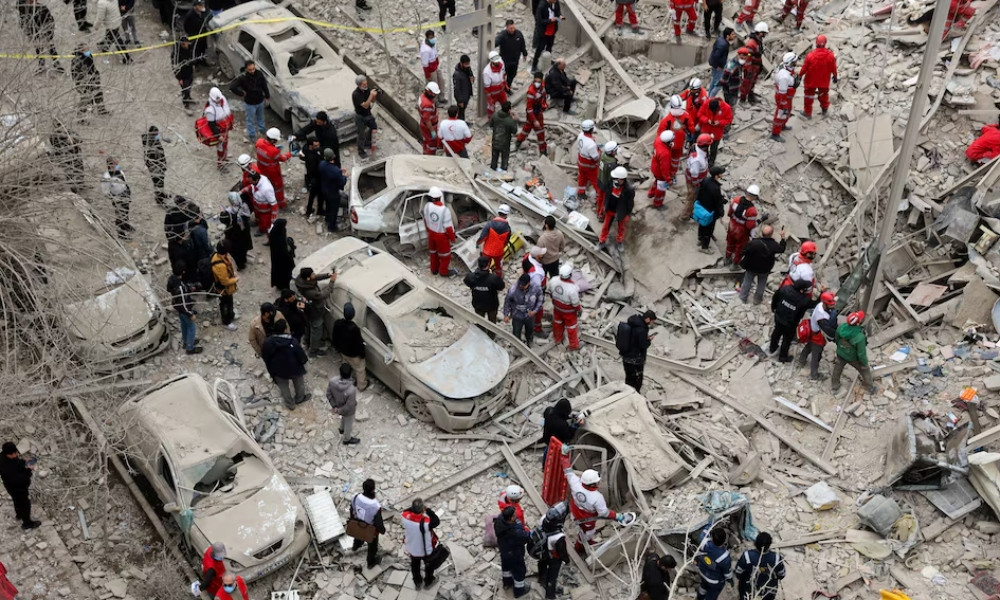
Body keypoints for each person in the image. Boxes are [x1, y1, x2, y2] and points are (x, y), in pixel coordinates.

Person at [561, 453, 628, 552]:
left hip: (575, 511)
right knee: (588, 533)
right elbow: (604, 513)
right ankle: (580, 547)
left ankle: (581, 541)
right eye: (597, 481)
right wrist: (617, 516)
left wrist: (564, 456)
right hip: (587, 518)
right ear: (592, 484)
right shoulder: (597, 497)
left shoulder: (575, 483)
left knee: (579, 527)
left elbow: (567, 470)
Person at [261, 319, 310, 409]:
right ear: (285, 329)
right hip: (294, 368)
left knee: (283, 387)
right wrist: (303, 361)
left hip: (278, 369)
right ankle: (300, 398)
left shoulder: (268, 342)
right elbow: (301, 355)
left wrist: (271, 369)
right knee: (299, 383)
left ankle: (290, 404)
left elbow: (265, 356)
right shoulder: (293, 342)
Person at [769, 279, 818, 362]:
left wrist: (773, 308)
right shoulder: (804, 300)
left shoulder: (784, 289)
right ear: (802, 290)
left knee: (776, 332)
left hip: (779, 316)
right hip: (790, 323)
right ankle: (782, 357)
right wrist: (822, 294)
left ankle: (772, 348)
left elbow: (775, 297)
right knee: (787, 340)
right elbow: (814, 304)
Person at [295, 267, 336, 356]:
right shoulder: (310, 292)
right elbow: (323, 294)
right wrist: (332, 282)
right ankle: (313, 350)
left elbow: (315, 277)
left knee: (310, 327)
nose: (314, 275)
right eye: (312, 274)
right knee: (316, 332)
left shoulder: (302, 280)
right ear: (308, 278)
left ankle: (306, 340)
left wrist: (327, 275)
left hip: (309, 310)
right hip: (315, 312)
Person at [832, 311, 876, 394]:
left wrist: (841, 348)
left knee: (837, 368)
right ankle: (870, 388)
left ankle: (835, 385)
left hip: (841, 353)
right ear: (858, 323)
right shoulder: (860, 337)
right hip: (852, 358)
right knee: (865, 370)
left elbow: (836, 339)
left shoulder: (841, 327)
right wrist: (864, 363)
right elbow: (861, 353)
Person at [401, 499, 441, 589]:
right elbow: (437, 520)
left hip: (412, 547)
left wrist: (414, 507)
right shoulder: (427, 522)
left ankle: (417, 582)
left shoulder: (405, 517)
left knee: (415, 565)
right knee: (429, 565)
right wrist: (428, 510)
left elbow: (406, 510)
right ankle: (429, 581)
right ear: (422, 510)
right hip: (425, 549)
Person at [0, 442, 40, 530]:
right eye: (14, 453)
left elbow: (16, 462)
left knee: (16, 500)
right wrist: (29, 470)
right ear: (9, 454)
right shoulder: (9, 468)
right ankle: (27, 523)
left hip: (9, 486)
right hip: (18, 488)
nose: (16, 454)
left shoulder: (2, 456)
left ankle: (19, 515)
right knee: (25, 504)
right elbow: (21, 480)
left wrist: (24, 461)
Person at [656, 96, 695, 185]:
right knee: (675, 161)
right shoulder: (686, 116)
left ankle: (666, 177)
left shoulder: (666, 119)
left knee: (666, 161)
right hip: (679, 144)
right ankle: (672, 175)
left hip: (668, 145)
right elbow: (691, 128)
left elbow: (660, 134)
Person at [734, 532, 785, 600]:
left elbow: (738, 572)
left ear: (755, 543)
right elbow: (781, 575)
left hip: (748, 590)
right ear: (769, 544)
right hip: (768, 591)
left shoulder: (747, 556)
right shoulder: (776, 558)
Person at [798, 291, 837, 380]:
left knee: (808, 347)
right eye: (831, 305)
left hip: (813, 330)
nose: (833, 306)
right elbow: (830, 332)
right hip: (818, 337)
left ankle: (801, 360)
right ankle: (814, 375)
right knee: (816, 356)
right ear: (825, 304)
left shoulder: (820, 305)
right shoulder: (822, 318)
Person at [535, 503, 570, 600]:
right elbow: (562, 552)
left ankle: (542, 578)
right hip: (553, 557)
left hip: (543, 549)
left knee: (542, 563)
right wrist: (566, 560)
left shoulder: (543, 519)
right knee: (552, 576)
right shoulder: (559, 537)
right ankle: (550, 595)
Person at [494, 506, 531, 597]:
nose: (516, 516)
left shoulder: (499, 520)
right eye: (514, 515)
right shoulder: (516, 532)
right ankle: (519, 591)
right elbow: (525, 537)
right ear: (511, 518)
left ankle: (507, 583)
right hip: (514, 553)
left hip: (503, 549)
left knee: (506, 567)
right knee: (519, 571)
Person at [229, 60, 270, 142]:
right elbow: (232, 87)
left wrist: (267, 96)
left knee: (261, 117)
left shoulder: (259, 74)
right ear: (246, 69)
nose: (252, 71)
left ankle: (262, 130)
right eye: (250, 70)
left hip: (260, 100)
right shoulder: (243, 78)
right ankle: (252, 135)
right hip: (250, 103)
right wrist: (241, 93)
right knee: (250, 120)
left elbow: (264, 85)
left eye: (253, 69)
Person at [799, 35, 838, 119]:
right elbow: (833, 68)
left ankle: (807, 113)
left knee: (809, 96)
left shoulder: (810, 56)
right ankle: (824, 110)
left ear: (816, 43)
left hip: (811, 80)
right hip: (824, 80)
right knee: (823, 95)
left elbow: (804, 68)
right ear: (825, 43)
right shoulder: (830, 56)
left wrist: (799, 76)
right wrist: (835, 76)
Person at [597, 166, 634, 252]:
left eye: (616, 179)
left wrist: (628, 214)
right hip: (610, 209)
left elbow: (630, 203)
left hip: (621, 211)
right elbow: (607, 195)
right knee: (606, 226)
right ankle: (602, 241)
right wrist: (604, 207)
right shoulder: (611, 183)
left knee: (621, 228)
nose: (615, 180)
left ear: (621, 179)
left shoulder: (629, 190)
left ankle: (619, 241)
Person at [422, 187, 458, 276]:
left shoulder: (427, 206)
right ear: (440, 197)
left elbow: (425, 220)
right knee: (445, 256)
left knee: (433, 253)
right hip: (441, 236)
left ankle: (434, 270)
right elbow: (448, 227)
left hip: (431, 233)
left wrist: (428, 230)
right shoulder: (444, 210)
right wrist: (452, 238)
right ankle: (443, 272)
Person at [168, 263, 202, 355]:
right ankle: (190, 348)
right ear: (183, 272)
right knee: (191, 327)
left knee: (184, 325)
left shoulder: (172, 279)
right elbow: (183, 304)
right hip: (184, 310)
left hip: (178, 308)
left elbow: (170, 290)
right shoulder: (180, 287)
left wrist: (188, 289)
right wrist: (190, 314)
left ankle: (186, 341)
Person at [351, 479, 386, 568]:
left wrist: (353, 520)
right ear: (373, 489)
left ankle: (356, 546)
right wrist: (382, 530)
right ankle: (371, 562)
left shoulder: (355, 496)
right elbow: (378, 523)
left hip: (358, 524)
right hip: (370, 530)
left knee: (358, 536)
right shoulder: (375, 506)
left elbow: (352, 509)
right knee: (372, 548)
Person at [333, 303, 368, 391]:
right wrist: (362, 355)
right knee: (360, 369)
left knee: (346, 365)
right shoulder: (354, 329)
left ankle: (348, 379)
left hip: (343, 351)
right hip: (354, 355)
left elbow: (335, 337)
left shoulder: (338, 324)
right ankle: (361, 386)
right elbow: (359, 344)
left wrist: (337, 348)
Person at [17, 0, 60, 72]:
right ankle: (41, 65)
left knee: (50, 47)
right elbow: (23, 23)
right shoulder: (24, 11)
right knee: (38, 48)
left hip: (45, 31)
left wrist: (49, 32)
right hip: (34, 33)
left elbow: (50, 20)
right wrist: (29, 33)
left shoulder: (42, 8)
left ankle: (56, 63)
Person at [619, 310, 656, 392]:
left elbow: (634, 339)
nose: (652, 323)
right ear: (648, 319)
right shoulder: (642, 329)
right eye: (652, 321)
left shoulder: (634, 323)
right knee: (637, 379)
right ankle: (635, 394)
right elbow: (643, 345)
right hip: (635, 359)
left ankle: (626, 393)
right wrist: (649, 340)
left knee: (629, 378)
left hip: (626, 356)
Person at [725, 184, 761, 265]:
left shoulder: (736, 200)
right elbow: (750, 226)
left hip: (732, 227)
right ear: (755, 197)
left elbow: (729, 213)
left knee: (730, 243)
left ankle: (727, 258)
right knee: (739, 248)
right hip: (742, 232)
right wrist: (760, 221)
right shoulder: (752, 211)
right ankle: (735, 265)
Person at [680, 134, 712, 223]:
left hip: (695, 179)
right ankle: (685, 216)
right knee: (691, 198)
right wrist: (696, 184)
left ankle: (689, 208)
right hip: (694, 182)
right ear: (706, 146)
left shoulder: (695, 146)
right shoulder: (697, 159)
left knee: (692, 196)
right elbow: (694, 173)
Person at [549, 263, 581, 351]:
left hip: (557, 308)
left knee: (557, 323)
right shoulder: (572, 288)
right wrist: (579, 310)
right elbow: (575, 303)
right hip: (569, 312)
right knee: (571, 328)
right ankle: (574, 345)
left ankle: (557, 339)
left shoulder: (553, 280)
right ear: (570, 275)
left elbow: (550, 292)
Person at [256, 128, 292, 208]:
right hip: (272, 172)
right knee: (278, 187)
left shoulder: (259, 142)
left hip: (261, 168)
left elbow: (265, 149)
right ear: (272, 140)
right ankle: (281, 204)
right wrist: (290, 154)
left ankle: (267, 199)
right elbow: (282, 158)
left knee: (265, 184)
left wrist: (273, 147)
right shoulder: (274, 151)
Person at [504, 273, 543, 346]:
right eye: (520, 285)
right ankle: (517, 346)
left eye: (524, 285)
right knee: (516, 332)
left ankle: (529, 342)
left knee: (530, 331)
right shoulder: (513, 289)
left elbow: (540, 300)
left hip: (530, 315)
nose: (521, 286)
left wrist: (535, 311)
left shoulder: (536, 288)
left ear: (529, 283)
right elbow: (507, 302)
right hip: (517, 315)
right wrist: (506, 315)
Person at [464, 256, 506, 323]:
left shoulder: (471, 276)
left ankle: (481, 329)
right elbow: (501, 286)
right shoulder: (493, 278)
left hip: (478, 304)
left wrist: (474, 287)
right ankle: (491, 330)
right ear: (488, 264)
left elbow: (466, 282)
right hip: (492, 305)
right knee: (492, 323)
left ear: (478, 264)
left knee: (480, 322)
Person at [327, 363, 360, 445]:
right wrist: (339, 410)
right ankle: (347, 439)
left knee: (343, 417)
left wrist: (334, 406)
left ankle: (341, 429)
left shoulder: (332, 381)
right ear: (350, 374)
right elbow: (349, 406)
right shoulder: (351, 390)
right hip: (347, 410)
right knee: (348, 423)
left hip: (338, 405)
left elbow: (328, 394)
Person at [514, 74, 547, 157]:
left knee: (531, 129)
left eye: (539, 82)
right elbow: (529, 108)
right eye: (536, 81)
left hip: (538, 111)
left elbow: (543, 97)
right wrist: (534, 120)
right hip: (532, 113)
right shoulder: (531, 92)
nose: (537, 83)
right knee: (534, 130)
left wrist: (544, 105)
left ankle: (519, 141)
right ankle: (542, 151)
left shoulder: (542, 87)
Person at [694, 166, 725, 253]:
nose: (722, 174)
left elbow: (700, 192)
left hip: (702, 207)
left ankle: (700, 238)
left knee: (702, 223)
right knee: (709, 229)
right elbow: (717, 202)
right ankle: (704, 247)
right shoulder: (716, 188)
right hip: (710, 212)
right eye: (721, 173)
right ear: (717, 175)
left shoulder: (705, 180)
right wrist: (721, 212)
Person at [695, 529, 732, 600]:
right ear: (724, 540)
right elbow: (727, 572)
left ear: (712, 538)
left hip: (702, 572)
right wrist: (730, 579)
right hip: (714, 580)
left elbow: (705, 531)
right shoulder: (724, 557)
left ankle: (699, 597)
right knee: (712, 594)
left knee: (703, 587)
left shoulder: (704, 543)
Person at [72, 45, 109, 115]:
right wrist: (84, 79)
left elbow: (92, 68)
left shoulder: (89, 57)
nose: (88, 51)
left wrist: (96, 75)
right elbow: (75, 74)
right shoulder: (77, 60)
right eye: (86, 50)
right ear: (81, 51)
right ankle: (81, 115)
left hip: (93, 80)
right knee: (86, 98)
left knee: (98, 94)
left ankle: (101, 110)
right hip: (83, 83)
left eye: (88, 49)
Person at [101, 157, 132, 240]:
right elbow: (105, 191)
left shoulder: (119, 170)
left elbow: (124, 179)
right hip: (117, 197)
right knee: (120, 215)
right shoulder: (107, 177)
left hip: (125, 193)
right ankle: (121, 233)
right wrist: (114, 199)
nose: (116, 165)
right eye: (114, 164)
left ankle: (126, 226)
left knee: (126, 212)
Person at [211, 241, 239, 330]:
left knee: (230, 301)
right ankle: (226, 322)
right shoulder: (220, 266)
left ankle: (231, 314)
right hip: (223, 289)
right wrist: (235, 279)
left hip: (227, 289)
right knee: (225, 304)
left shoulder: (219, 256)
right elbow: (225, 282)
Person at [770, 52, 798, 142]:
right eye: (795, 61)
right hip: (784, 98)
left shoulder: (784, 66)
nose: (796, 62)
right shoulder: (784, 77)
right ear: (790, 63)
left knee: (787, 112)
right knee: (780, 114)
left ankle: (782, 125)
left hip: (787, 96)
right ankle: (775, 133)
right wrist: (783, 105)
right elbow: (782, 93)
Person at [478, 205, 513, 275]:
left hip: (487, 251)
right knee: (498, 267)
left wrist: (478, 244)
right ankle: (498, 278)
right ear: (507, 215)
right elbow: (506, 241)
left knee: (485, 266)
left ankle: (484, 277)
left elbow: (482, 237)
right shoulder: (508, 228)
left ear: (498, 212)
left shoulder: (489, 224)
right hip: (499, 252)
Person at [319, 148, 348, 232]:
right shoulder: (336, 171)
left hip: (324, 190)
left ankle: (327, 219)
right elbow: (342, 182)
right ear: (334, 156)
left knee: (328, 205)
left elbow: (329, 171)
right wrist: (345, 176)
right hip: (333, 193)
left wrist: (339, 171)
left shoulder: (321, 164)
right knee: (334, 210)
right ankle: (331, 227)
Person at [698, 98, 733, 165]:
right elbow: (700, 114)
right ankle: (703, 160)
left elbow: (729, 120)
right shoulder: (706, 103)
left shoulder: (726, 108)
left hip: (717, 132)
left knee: (714, 149)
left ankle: (711, 162)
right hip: (705, 130)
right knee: (703, 147)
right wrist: (706, 120)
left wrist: (719, 122)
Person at [205, 87, 234, 169]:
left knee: (225, 145)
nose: (218, 101)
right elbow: (211, 125)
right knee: (220, 147)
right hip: (219, 131)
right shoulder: (210, 110)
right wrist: (218, 135)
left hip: (225, 128)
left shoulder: (222, 99)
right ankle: (220, 164)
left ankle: (224, 158)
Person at [94, 0, 130, 64]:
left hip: (111, 25)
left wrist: (96, 26)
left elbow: (100, 17)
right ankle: (104, 47)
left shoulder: (102, 3)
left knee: (117, 40)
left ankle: (126, 57)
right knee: (110, 35)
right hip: (117, 21)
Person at [495, 20, 528, 88]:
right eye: (510, 28)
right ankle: (501, 88)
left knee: (512, 75)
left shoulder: (519, 34)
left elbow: (522, 44)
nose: (512, 30)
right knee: (502, 76)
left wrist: (524, 53)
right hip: (504, 61)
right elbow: (495, 42)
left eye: (513, 28)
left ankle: (508, 87)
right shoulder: (502, 35)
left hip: (515, 61)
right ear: (507, 28)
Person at [352, 76, 379, 159]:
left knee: (374, 127)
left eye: (366, 83)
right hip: (360, 116)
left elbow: (372, 101)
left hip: (368, 114)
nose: (366, 85)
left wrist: (374, 96)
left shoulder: (367, 90)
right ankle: (361, 151)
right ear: (359, 85)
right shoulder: (356, 94)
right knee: (361, 134)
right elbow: (365, 105)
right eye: (364, 84)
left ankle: (367, 141)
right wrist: (371, 95)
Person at [532, 0, 562, 73]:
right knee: (540, 48)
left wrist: (559, 16)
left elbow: (558, 11)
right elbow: (539, 21)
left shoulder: (556, 3)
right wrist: (550, 20)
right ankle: (534, 65)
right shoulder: (541, 6)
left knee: (549, 46)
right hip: (544, 32)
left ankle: (548, 60)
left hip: (552, 30)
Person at [142, 126, 168, 205]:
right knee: (158, 183)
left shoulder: (153, 140)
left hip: (159, 166)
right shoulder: (150, 148)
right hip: (156, 169)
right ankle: (159, 200)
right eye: (156, 134)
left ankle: (161, 195)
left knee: (161, 183)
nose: (158, 135)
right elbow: (151, 162)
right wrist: (160, 167)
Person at [741, 24, 768, 104]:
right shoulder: (751, 44)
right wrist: (749, 69)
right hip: (751, 67)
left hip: (755, 66)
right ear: (760, 32)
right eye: (764, 33)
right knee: (746, 83)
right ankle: (742, 99)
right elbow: (748, 57)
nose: (765, 34)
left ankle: (751, 96)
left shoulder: (758, 41)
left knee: (752, 82)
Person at [649, 131, 675, 208]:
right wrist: (668, 180)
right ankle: (657, 203)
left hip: (654, 166)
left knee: (656, 181)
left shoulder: (658, 140)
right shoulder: (665, 154)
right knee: (661, 188)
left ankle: (651, 193)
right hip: (660, 172)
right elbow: (664, 170)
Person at [576, 120, 600, 202]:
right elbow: (596, 157)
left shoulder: (580, 135)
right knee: (596, 180)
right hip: (589, 166)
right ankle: (599, 197)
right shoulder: (591, 145)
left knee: (582, 177)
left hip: (581, 161)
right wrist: (599, 151)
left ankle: (581, 193)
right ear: (591, 129)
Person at [268, 218, 296, 291]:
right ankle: (282, 286)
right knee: (281, 272)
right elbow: (280, 248)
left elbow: (284, 241)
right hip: (280, 258)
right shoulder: (274, 234)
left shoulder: (281, 230)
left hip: (283, 257)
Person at [491, 101, 520, 171]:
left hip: (495, 141)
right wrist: (515, 120)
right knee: (504, 159)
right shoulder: (510, 121)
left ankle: (492, 170)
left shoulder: (495, 115)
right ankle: (503, 171)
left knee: (494, 159)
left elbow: (491, 124)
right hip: (505, 144)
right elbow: (514, 131)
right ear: (509, 110)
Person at [246, 171, 277, 235]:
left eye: (251, 181)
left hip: (264, 208)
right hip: (257, 204)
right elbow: (251, 186)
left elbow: (274, 203)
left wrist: (273, 217)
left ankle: (263, 230)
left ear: (256, 180)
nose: (250, 183)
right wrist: (242, 191)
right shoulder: (256, 182)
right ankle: (257, 222)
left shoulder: (266, 189)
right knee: (258, 216)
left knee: (264, 220)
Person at [299, 138, 323, 219]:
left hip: (311, 177)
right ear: (310, 146)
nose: (318, 147)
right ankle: (319, 210)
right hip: (315, 177)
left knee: (312, 194)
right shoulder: (311, 157)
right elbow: (313, 169)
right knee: (319, 194)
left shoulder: (307, 149)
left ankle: (309, 210)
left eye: (318, 145)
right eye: (316, 146)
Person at [596, 141, 620, 221]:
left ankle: (597, 210)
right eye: (615, 150)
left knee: (600, 197)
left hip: (600, 179)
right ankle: (601, 215)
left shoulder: (603, 155)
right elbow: (613, 177)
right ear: (611, 152)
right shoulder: (612, 164)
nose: (616, 151)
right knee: (606, 201)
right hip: (607, 185)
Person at [707, 28, 735, 96]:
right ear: (727, 36)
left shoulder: (721, 39)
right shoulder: (723, 45)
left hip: (717, 65)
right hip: (718, 67)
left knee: (714, 81)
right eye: (732, 34)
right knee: (718, 85)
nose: (734, 36)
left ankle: (709, 96)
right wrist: (717, 66)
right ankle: (710, 99)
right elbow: (716, 56)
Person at [483, 51, 508, 120]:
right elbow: (487, 87)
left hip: (501, 90)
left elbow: (503, 74)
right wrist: (489, 98)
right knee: (491, 109)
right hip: (493, 94)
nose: (497, 63)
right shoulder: (486, 72)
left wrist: (505, 84)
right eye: (495, 62)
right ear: (491, 61)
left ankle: (506, 118)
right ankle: (491, 120)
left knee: (506, 105)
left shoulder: (501, 62)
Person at [419, 82, 441, 155]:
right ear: (429, 92)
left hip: (423, 124)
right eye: (434, 94)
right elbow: (427, 120)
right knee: (432, 144)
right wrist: (432, 130)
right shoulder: (427, 105)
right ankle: (429, 157)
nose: (435, 96)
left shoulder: (422, 97)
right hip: (429, 126)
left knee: (426, 140)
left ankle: (425, 153)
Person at [420, 31, 444, 98]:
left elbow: (435, 53)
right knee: (433, 86)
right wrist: (428, 75)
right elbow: (425, 64)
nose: (432, 39)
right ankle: (434, 100)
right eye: (431, 38)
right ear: (427, 38)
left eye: (433, 37)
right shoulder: (425, 50)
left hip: (435, 66)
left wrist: (437, 63)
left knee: (441, 81)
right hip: (431, 70)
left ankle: (441, 97)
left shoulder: (432, 44)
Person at [452, 56, 475, 122]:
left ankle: (462, 122)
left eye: (468, 63)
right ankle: (461, 123)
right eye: (466, 64)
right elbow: (457, 89)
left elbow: (471, 76)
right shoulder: (457, 75)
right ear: (461, 63)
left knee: (463, 110)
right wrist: (460, 101)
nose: (468, 65)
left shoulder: (467, 69)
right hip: (462, 97)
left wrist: (472, 77)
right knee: (461, 112)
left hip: (467, 93)